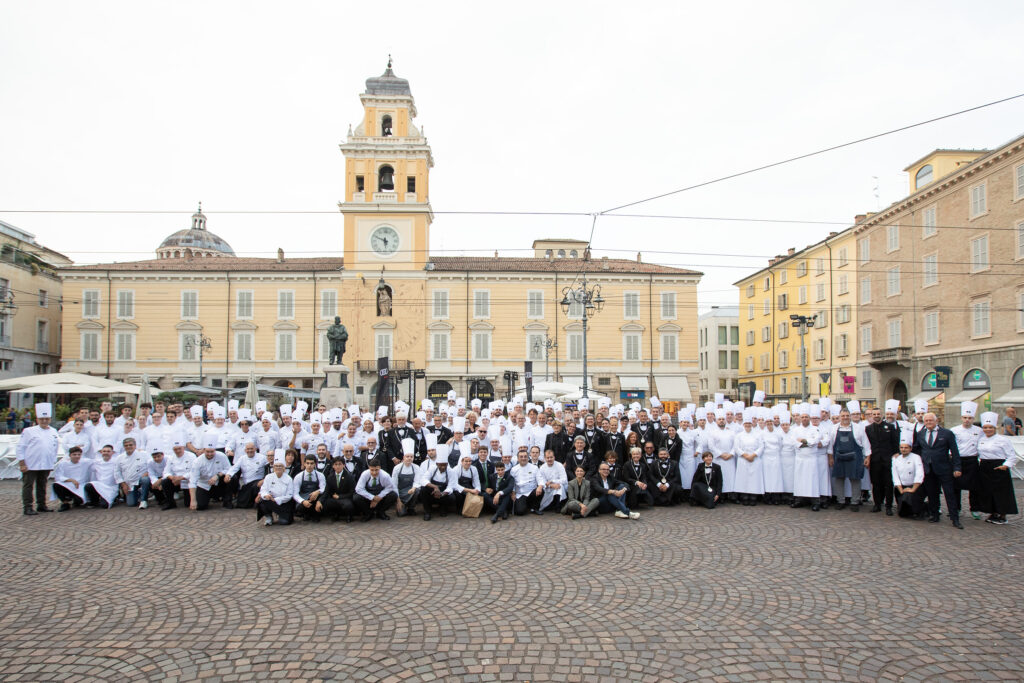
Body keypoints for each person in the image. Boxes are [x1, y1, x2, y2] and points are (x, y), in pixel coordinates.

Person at [914, 412, 963, 529]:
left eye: (931, 420)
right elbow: (917, 449)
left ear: (936, 421)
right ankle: (934, 514)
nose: (928, 422)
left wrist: (957, 467)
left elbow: (955, 452)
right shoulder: (920, 434)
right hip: (928, 469)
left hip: (944, 468)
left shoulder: (947, 433)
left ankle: (954, 518)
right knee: (932, 493)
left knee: (949, 494)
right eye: (926, 421)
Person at [975, 411, 1019, 524]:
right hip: (985, 467)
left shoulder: (1003, 440)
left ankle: (1003, 515)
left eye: (990, 427)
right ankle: (993, 512)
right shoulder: (981, 439)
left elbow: (1012, 456)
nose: (987, 430)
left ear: (995, 428)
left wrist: (1005, 466)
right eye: (985, 427)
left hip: (999, 467)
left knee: (1001, 493)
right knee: (988, 491)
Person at [16, 402, 59, 515]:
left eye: (46, 418)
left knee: (42, 485)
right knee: (28, 485)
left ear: (50, 419)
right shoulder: (29, 431)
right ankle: (28, 507)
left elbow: (55, 447)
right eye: (42, 419)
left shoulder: (53, 431)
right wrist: (22, 463)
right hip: (31, 463)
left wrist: (52, 461)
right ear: (37, 419)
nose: (44, 421)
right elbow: (21, 447)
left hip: (46, 463)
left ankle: (41, 505)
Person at [829, 409, 871, 512]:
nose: (845, 418)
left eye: (847, 415)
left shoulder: (858, 428)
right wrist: (830, 458)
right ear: (840, 417)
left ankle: (855, 501)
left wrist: (868, 457)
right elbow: (830, 446)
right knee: (839, 479)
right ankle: (840, 501)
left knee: (855, 479)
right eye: (843, 416)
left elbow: (866, 444)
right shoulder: (834, 429)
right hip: (839, 457)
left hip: (855, 457)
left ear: (850, 416)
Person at [865, 403, 900, 515]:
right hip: (875, 460)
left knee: (889, 484)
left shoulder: (890, 427)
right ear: (872, 416)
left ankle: (888, 506)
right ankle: (877, 504)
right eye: (874, 414)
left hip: (888, 460)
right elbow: (867, 445)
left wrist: (895, 454)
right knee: (876, 483)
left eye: (878, 414)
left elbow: (895, 443)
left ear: (882, 415)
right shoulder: (868, 429)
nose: (876, 415)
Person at [951, 401, 983, 520]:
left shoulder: (979, 431)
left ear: (973, 418)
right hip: (958, 460)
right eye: (965, 418)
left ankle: (974, 509)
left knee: (974, 487)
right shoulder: (954, 430)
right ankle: (956, 508)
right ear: (961, 418)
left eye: (969, 418)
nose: (967, 420)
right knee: (956, 486)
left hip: (972, 460)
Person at [188, 435, 233, 511]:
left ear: (215, 450)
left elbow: (229, 469)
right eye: (207, 452)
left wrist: (218, 475)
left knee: (231, 478)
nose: (210, 454)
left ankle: (227, 501)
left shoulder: (222, 456)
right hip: (204, 485)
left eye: (212, 451)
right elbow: (193, 481)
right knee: (201, 506)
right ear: (204, 450)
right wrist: (193, 500)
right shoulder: (197, 461)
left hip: (219, 483)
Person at [891, 436, 925, 519]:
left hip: (915, 486)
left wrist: (913, 489)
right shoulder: (896, 459)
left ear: (910, 448)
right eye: (901, 447)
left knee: (915, 513)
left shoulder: (916, 457)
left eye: (906, 447)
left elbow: (920, 473)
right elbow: (895, 476)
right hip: (901, 487)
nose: (903, 449)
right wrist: (901, 490)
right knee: (902, 513)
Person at [51, 446, 91, 511]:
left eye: (79, 454)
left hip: (80, 486)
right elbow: (59, 476)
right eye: (74, 454)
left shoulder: (86, 462)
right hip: (69, 484)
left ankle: (75, 498)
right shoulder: (63, 463)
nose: (77, 456)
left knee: (79, 502)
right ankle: (65, 503)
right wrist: (71, 480)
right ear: (70, 455)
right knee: (56, 485)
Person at [116, 437, 153, 508]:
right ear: (124, 447)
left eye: (130, 445)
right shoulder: (119, 458)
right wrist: (123, 485)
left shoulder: (144, 454)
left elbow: (152, 466)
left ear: (135, 445)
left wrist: (147, 473)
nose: (128, 447)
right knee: (131, 504)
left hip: (141, 479)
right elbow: (117, 472)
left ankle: (143, 501)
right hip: (129, 483)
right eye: (126, 445)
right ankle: (139, 493)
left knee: (145, 480)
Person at [159, 439, 196, 510]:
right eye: (175, 449)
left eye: (179, 449)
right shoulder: (171, 457)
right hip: (175, 481)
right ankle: (170, 503)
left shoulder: (191, 456)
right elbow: (166, 472)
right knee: (165, 482)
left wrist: (181, 478)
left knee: (187, 504)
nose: (178, 451)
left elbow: (194, 471)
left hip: (187, 481)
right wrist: (172, 478)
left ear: (184, 448)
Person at [257, 458, 295, 526]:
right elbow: (263, 490)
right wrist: (266, 495)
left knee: (284, 522)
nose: (278, 468)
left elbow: (289, 495)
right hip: (270, 500)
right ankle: (269, 517)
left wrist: (276, 499)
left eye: (280, 466)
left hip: (284, 502)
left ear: (284, 468)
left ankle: (280, 515)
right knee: (262, 501)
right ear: (273, 468)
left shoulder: (288, 479)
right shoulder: (268, 477)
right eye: (276, 466)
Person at [318, 457, 357, 522]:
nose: (338, 466)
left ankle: (349, 516)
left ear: (344, 465)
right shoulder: (330, 477)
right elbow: (326, 491)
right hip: (334, 498)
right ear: (333, 466)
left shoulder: (349, 476)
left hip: (345, 497)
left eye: (340, 464)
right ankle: (336, 514)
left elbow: (353, 491)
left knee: (347, 505)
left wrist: (340, 497)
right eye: (336, 464)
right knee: (325, 503)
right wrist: (319, 501)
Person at [391, 440, 423, 518]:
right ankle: (401, 505)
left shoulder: (416, 467)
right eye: (407, 457)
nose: (409, 459)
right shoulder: (397, 468)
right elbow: (394, 485)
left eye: (411, 457)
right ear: (403, 457)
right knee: (401, 514)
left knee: (418, 490)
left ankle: (411, 507)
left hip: (410, 491)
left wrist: (413, 488)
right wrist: (398, 500)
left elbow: (417, 481)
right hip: (400, 492)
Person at [419, 455, 455, 520]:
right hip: (433, 493)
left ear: (447, 464)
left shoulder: (451, 471)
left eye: (445, 465)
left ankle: (443, 508)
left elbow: (451, 486)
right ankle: (427, 512)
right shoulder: (432, 468)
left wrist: (442, 494)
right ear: (437, 464)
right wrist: (435, 487)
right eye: (441, 465)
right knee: (423, 490)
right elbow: (423, 480)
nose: (443, 467)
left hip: (443, 495)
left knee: (452, 497)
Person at [292, 454, 327, 522]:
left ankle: (315, 514)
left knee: (322, 501)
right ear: (304, 464)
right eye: (307, 463)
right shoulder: (298, 477)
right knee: (300, 507)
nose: (309, 465)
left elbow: (323, 488)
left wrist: (318, 491)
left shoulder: (320, 475)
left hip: (315, 499)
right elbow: (295, 494)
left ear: (315, 464)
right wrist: (303, 501)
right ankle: (307, 514)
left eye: (311, 463)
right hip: (304, 499)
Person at [536, 450, 568, 514]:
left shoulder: (559, 465)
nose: (549, 459)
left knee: (559, 487)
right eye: (548, 458)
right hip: (548, 488)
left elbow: (564, 479)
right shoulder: (542, 467)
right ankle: (550, 505)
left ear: (554, 457)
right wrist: (551, 485)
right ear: (545, 458)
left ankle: (558, 506)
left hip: (559, 486)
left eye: (551, 457)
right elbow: (542, 480)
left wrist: (552, 481)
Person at [509, 449, 540, 516]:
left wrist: (540, 486)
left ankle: (535, 508)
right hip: (520, 493)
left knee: (541, 490)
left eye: (525, 456)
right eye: (521, 457)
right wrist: (513, 493)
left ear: (528, 457)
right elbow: (512, 483)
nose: (523, 458)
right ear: (518, 458)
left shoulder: (534, 468)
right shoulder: (514, 469)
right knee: (520, 512)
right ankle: (527, 506)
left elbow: (540, 479)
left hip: (532, 492)